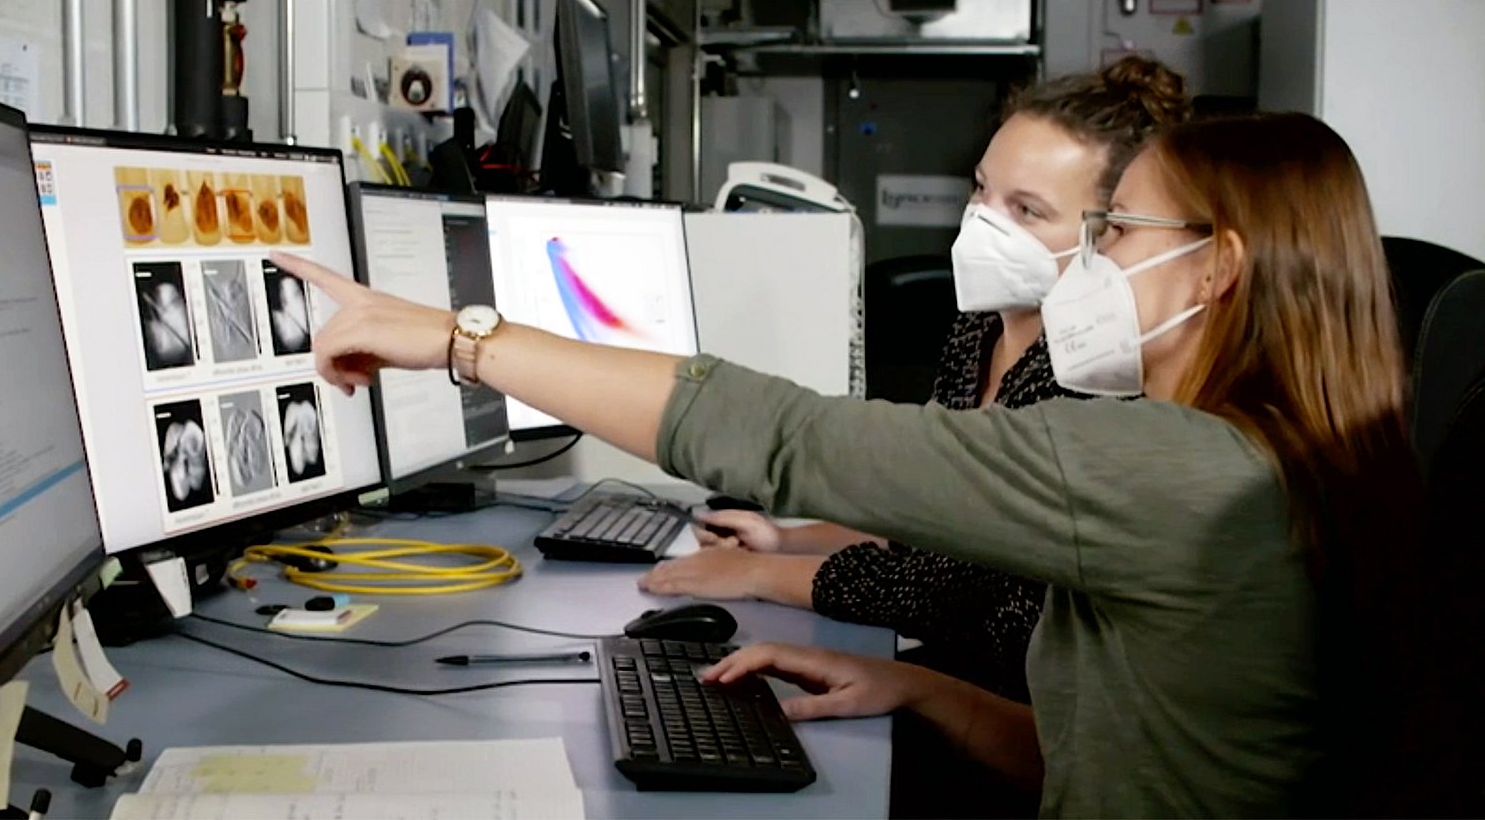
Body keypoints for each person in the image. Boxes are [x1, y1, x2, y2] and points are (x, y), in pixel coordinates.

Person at [269, 111, 1419, 817]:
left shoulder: (1178, 471)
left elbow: (796, 441)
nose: (1091, 261)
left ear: (1217, 268)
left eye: (1115, 232)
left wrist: (461, 338)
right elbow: (1117, 763)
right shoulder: (1273, 458)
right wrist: (921, 689)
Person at [634, 57, 1191, 703]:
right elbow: (927, 515)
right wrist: (784, 539)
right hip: (945, 672)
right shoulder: (978, 329)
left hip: (1011, 708)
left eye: (1026, 210)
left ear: (1109, 234)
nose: (983, 221)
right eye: (982, 190)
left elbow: (953, 590)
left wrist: (757, 575)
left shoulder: (1094, 378)